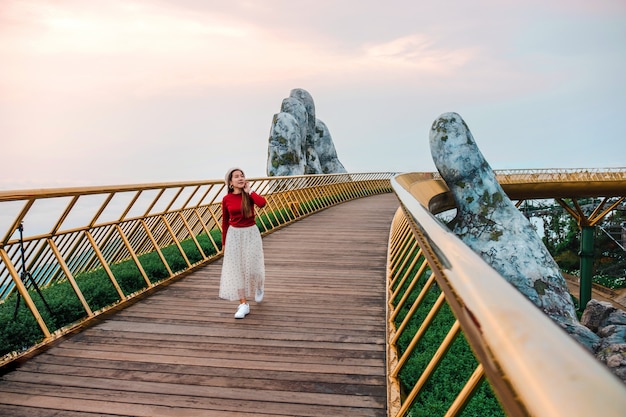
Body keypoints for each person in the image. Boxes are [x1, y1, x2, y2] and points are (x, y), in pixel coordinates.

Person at [219, 167, 267, 319]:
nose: (240, 178)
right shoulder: (226, 199)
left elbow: (262, 204)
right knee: (238, 270)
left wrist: (250, 191)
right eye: (236, 176)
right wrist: (224, 243)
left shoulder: (249, 196)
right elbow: (225, 222)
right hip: (234, 235)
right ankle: (243, 304)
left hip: (251, 233)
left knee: (255, 268)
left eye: (242, 176)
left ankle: (259, 286)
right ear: (230, 182)